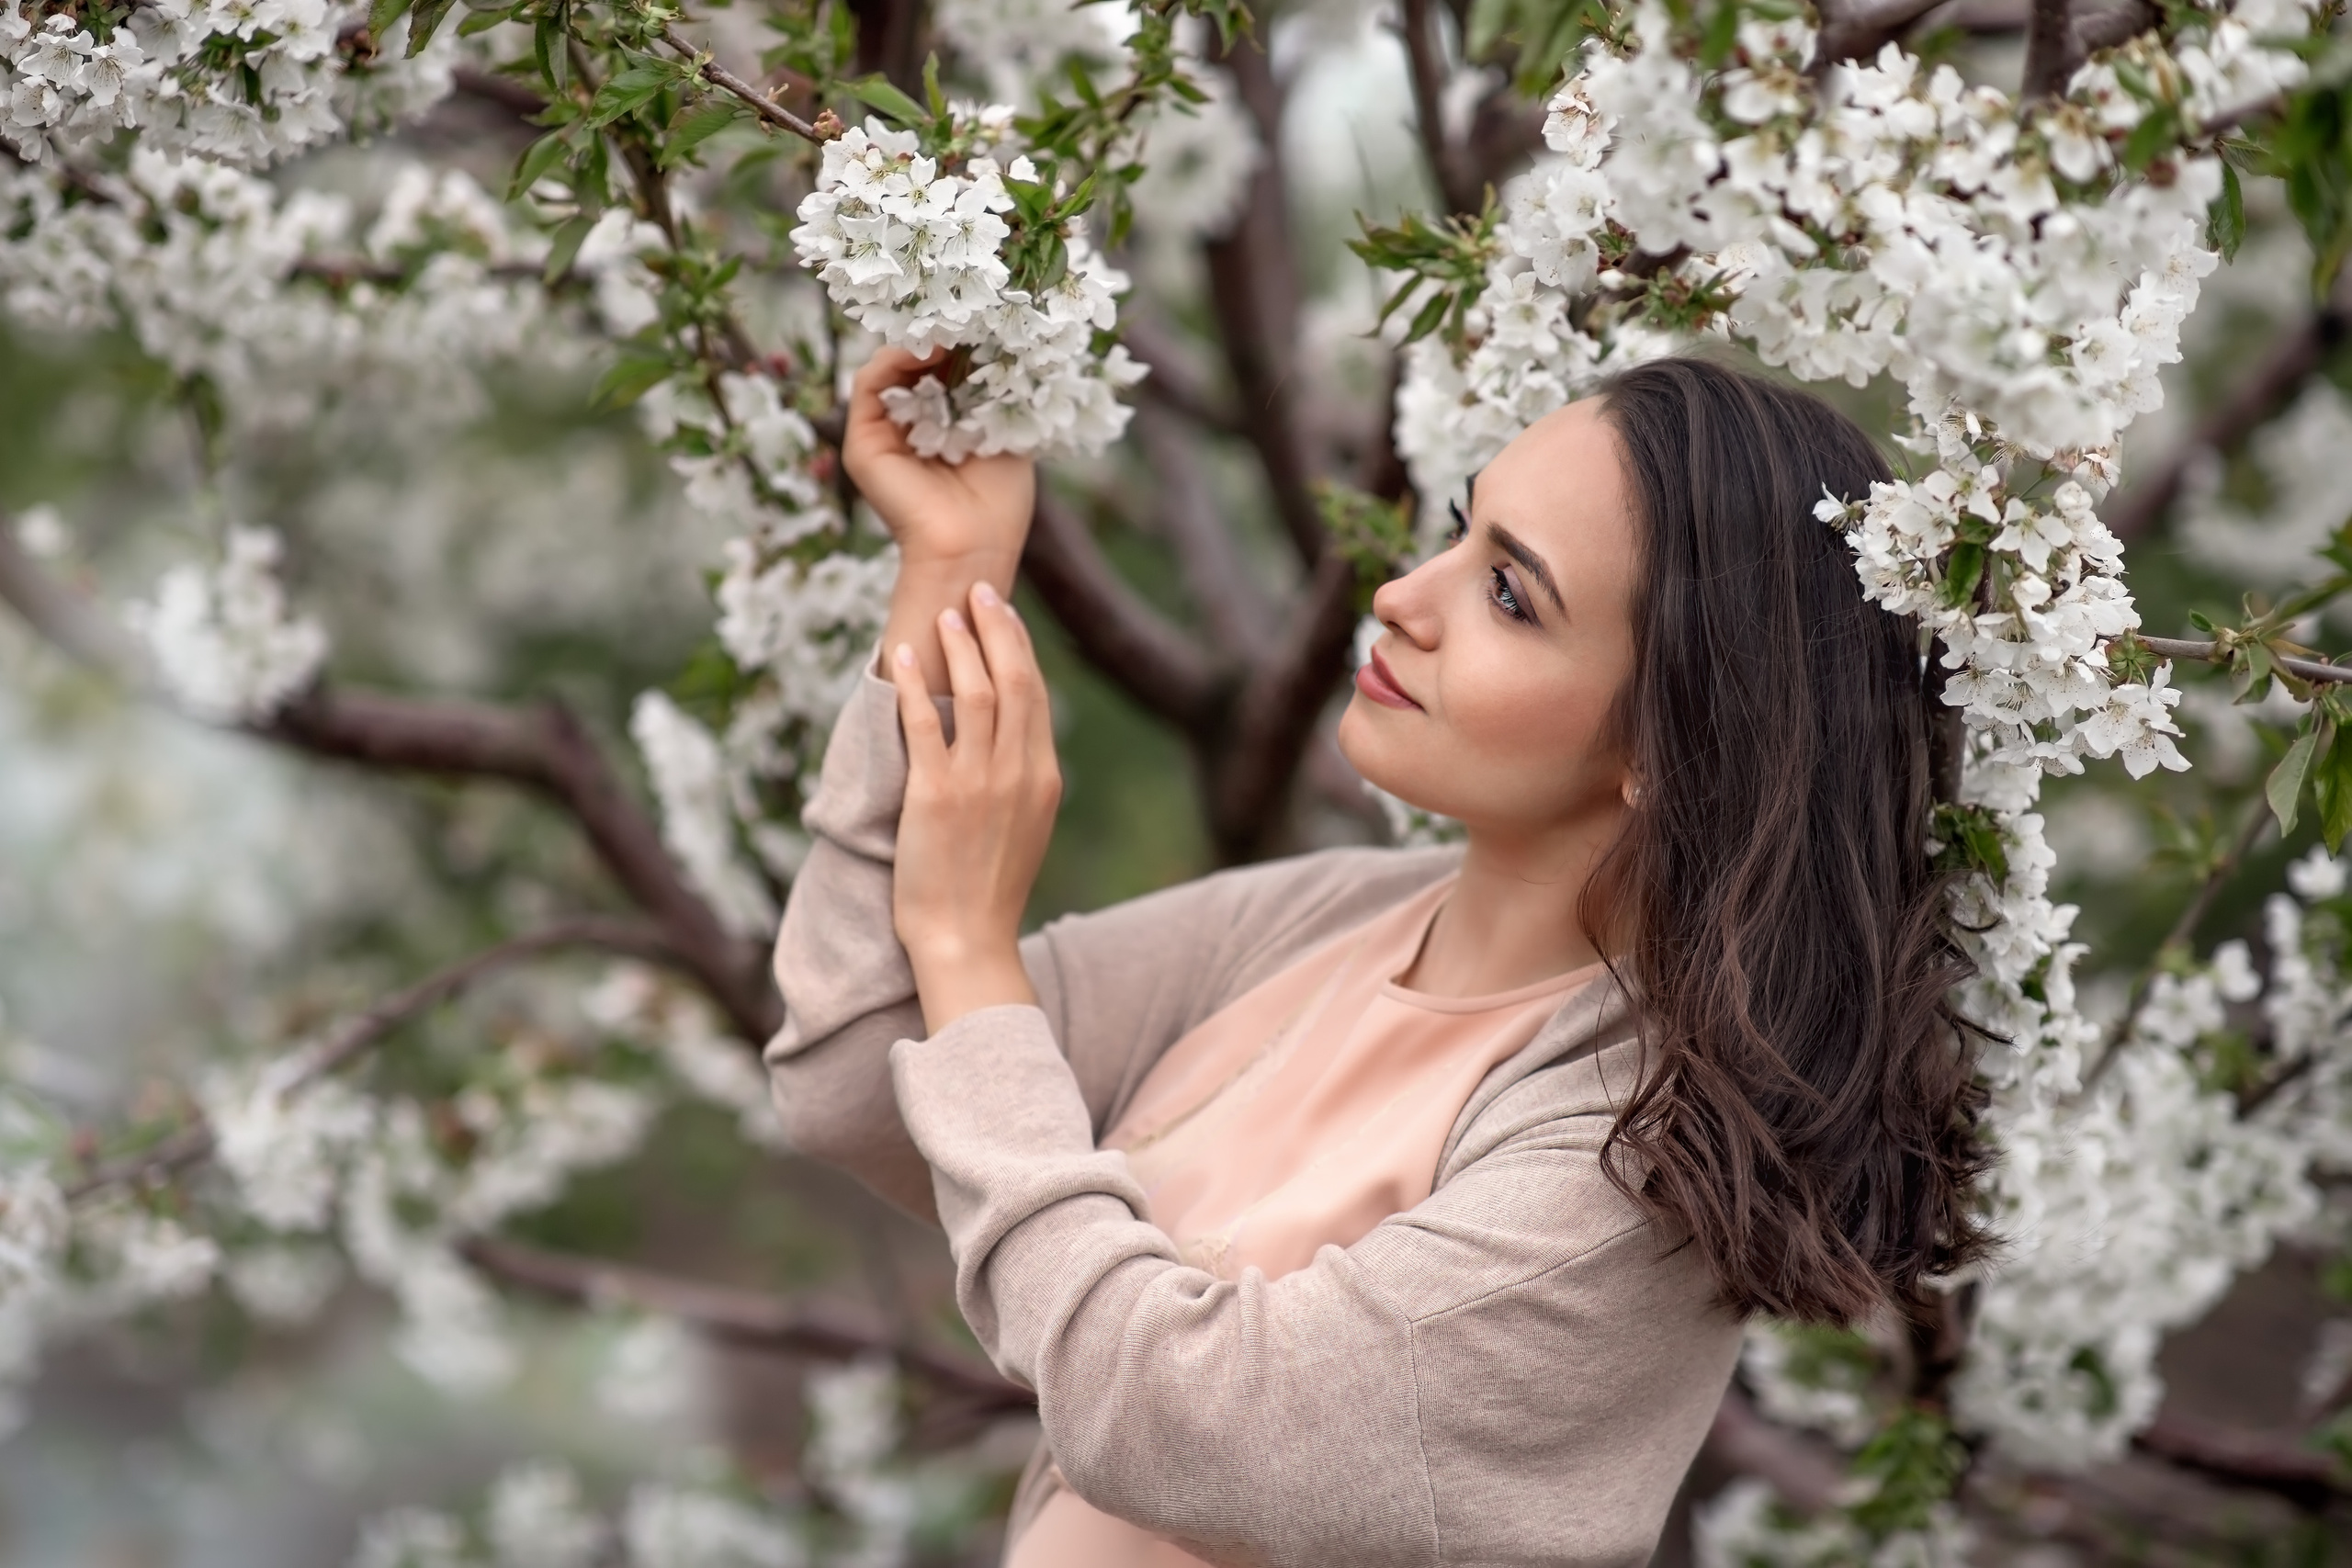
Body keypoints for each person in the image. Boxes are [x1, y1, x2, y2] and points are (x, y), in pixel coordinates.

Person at [764, 346, 1989, 1567]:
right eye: (1461, 532)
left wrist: (973, 950)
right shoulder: (1335, 923)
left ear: (1675, 740)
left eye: (1512, 595)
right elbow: (860, 1075)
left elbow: (1170, 1420)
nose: (1405, 593)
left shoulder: (1625, 1174)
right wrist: (956, 569)